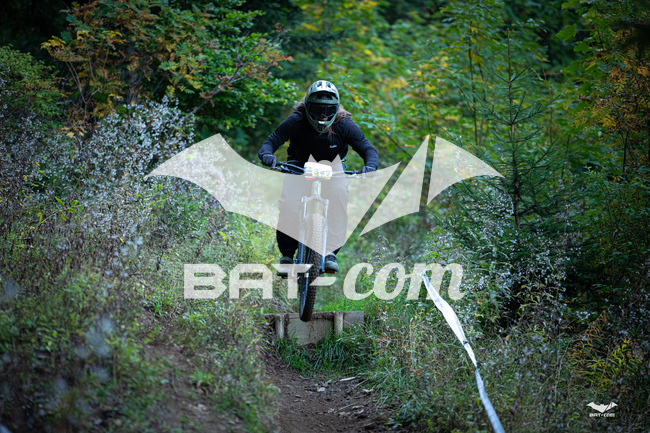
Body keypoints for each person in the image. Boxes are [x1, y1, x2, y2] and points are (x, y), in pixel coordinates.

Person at [258, 80, 378, 274]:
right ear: (307, 106)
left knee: (339, 195)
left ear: (336, 109)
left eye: (328, 110)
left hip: (333, 166)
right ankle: (287, 255)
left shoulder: (344, 124)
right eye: (316, 109)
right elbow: (271, 141)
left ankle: (330, 252)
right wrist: (267, 155)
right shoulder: (296, 120)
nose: (322, 115)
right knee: (289, 204)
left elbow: (368, 149)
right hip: (298, 164)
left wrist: (370, 166)